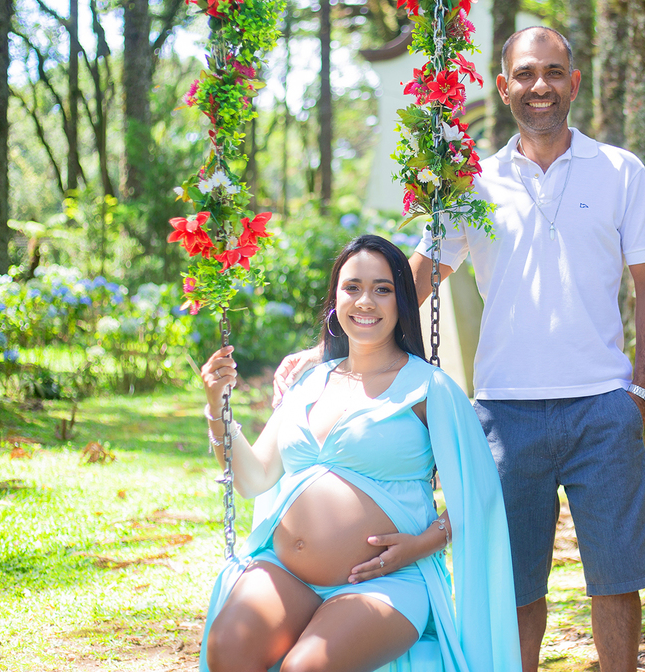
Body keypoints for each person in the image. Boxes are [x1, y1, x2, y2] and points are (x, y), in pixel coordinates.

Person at [408, 26, 645, 672]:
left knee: (615, 578)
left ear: (574, 83)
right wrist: (336, 341)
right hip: (504, 412)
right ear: (504, 89)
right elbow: (415, 276)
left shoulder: (621, 172)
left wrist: (638, 393)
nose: (541, 87)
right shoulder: (472, 184)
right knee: (517, 585)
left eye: (554, 72)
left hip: (603, 408)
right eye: (526, 74)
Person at [197, 234, 521, 672]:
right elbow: (254, 479)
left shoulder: (429, 389)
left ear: (402, 301)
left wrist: (419, 545)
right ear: (335, 300)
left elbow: (479, 495)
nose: (365, 301)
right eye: (352, 288)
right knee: (227, 652)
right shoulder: (310, 382)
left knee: (306, 668)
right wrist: (218, 405)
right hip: (286, 571)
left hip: (385, 581)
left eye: (382, 289)